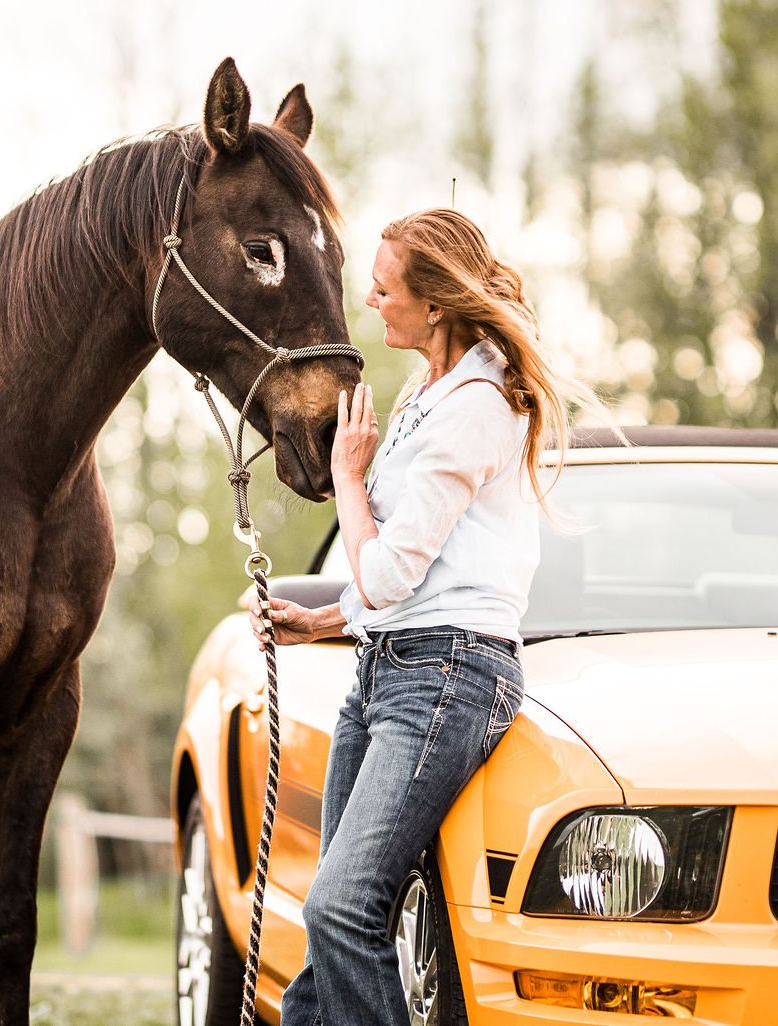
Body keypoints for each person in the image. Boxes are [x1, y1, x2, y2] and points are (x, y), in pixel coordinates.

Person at [246, 207, 604, 1026]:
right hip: (387, 669)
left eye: (383, 288)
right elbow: (408, 577)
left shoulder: (475, 406)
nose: (370, 302)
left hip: (446, 679)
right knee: (328, 926)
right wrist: (329, 619)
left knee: (343, 910)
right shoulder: (425, 391)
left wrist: (346, 475)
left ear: (435, 303)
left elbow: (394, 570)